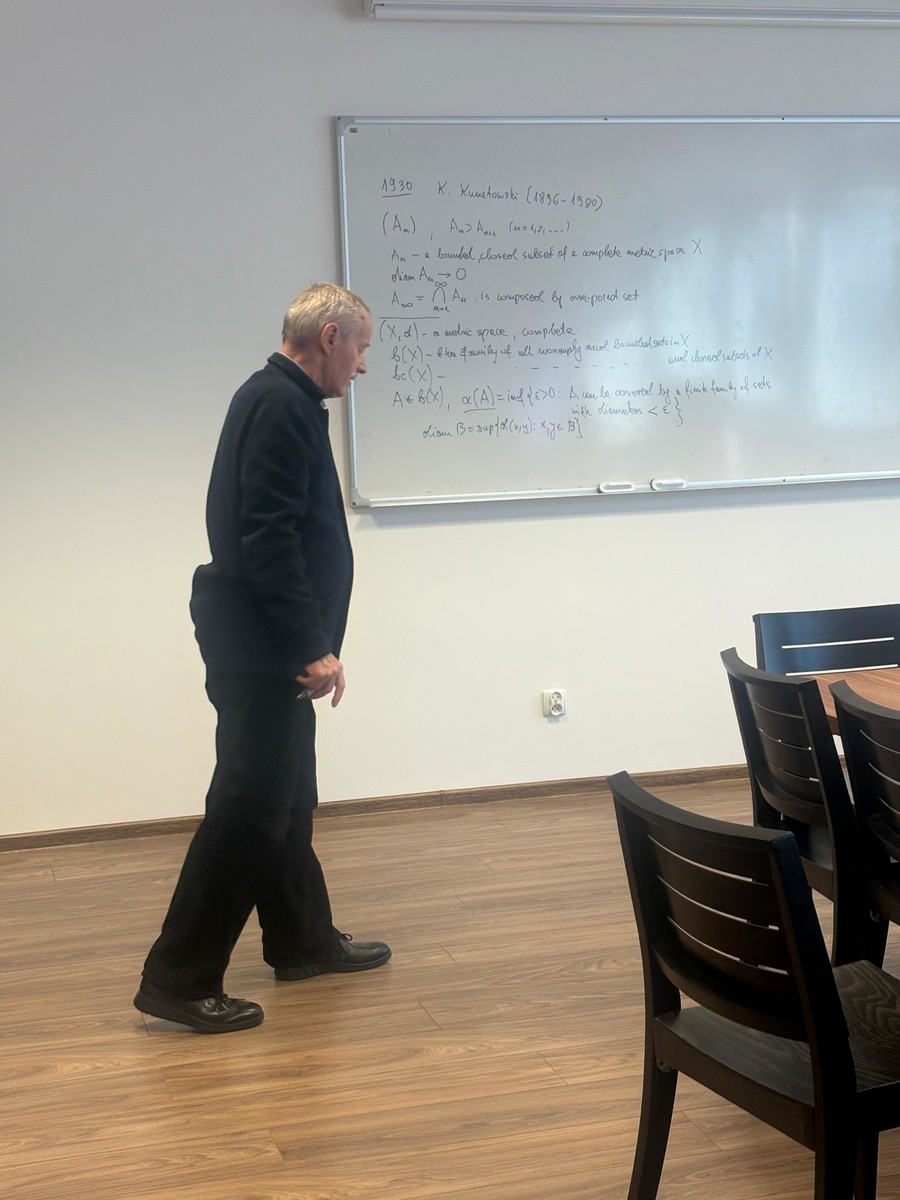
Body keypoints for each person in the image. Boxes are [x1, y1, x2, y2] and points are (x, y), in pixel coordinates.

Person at [134, 283, 390, 1033]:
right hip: (265, 648)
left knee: (288, 796)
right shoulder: (279, 405)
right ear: (331, 336)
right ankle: (179, 977)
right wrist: (310, 645)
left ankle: (303, 939)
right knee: (249, 808)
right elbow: (267, 539)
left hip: (260, 642)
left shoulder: (282, 399)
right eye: (362, 347)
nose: (363, 366)